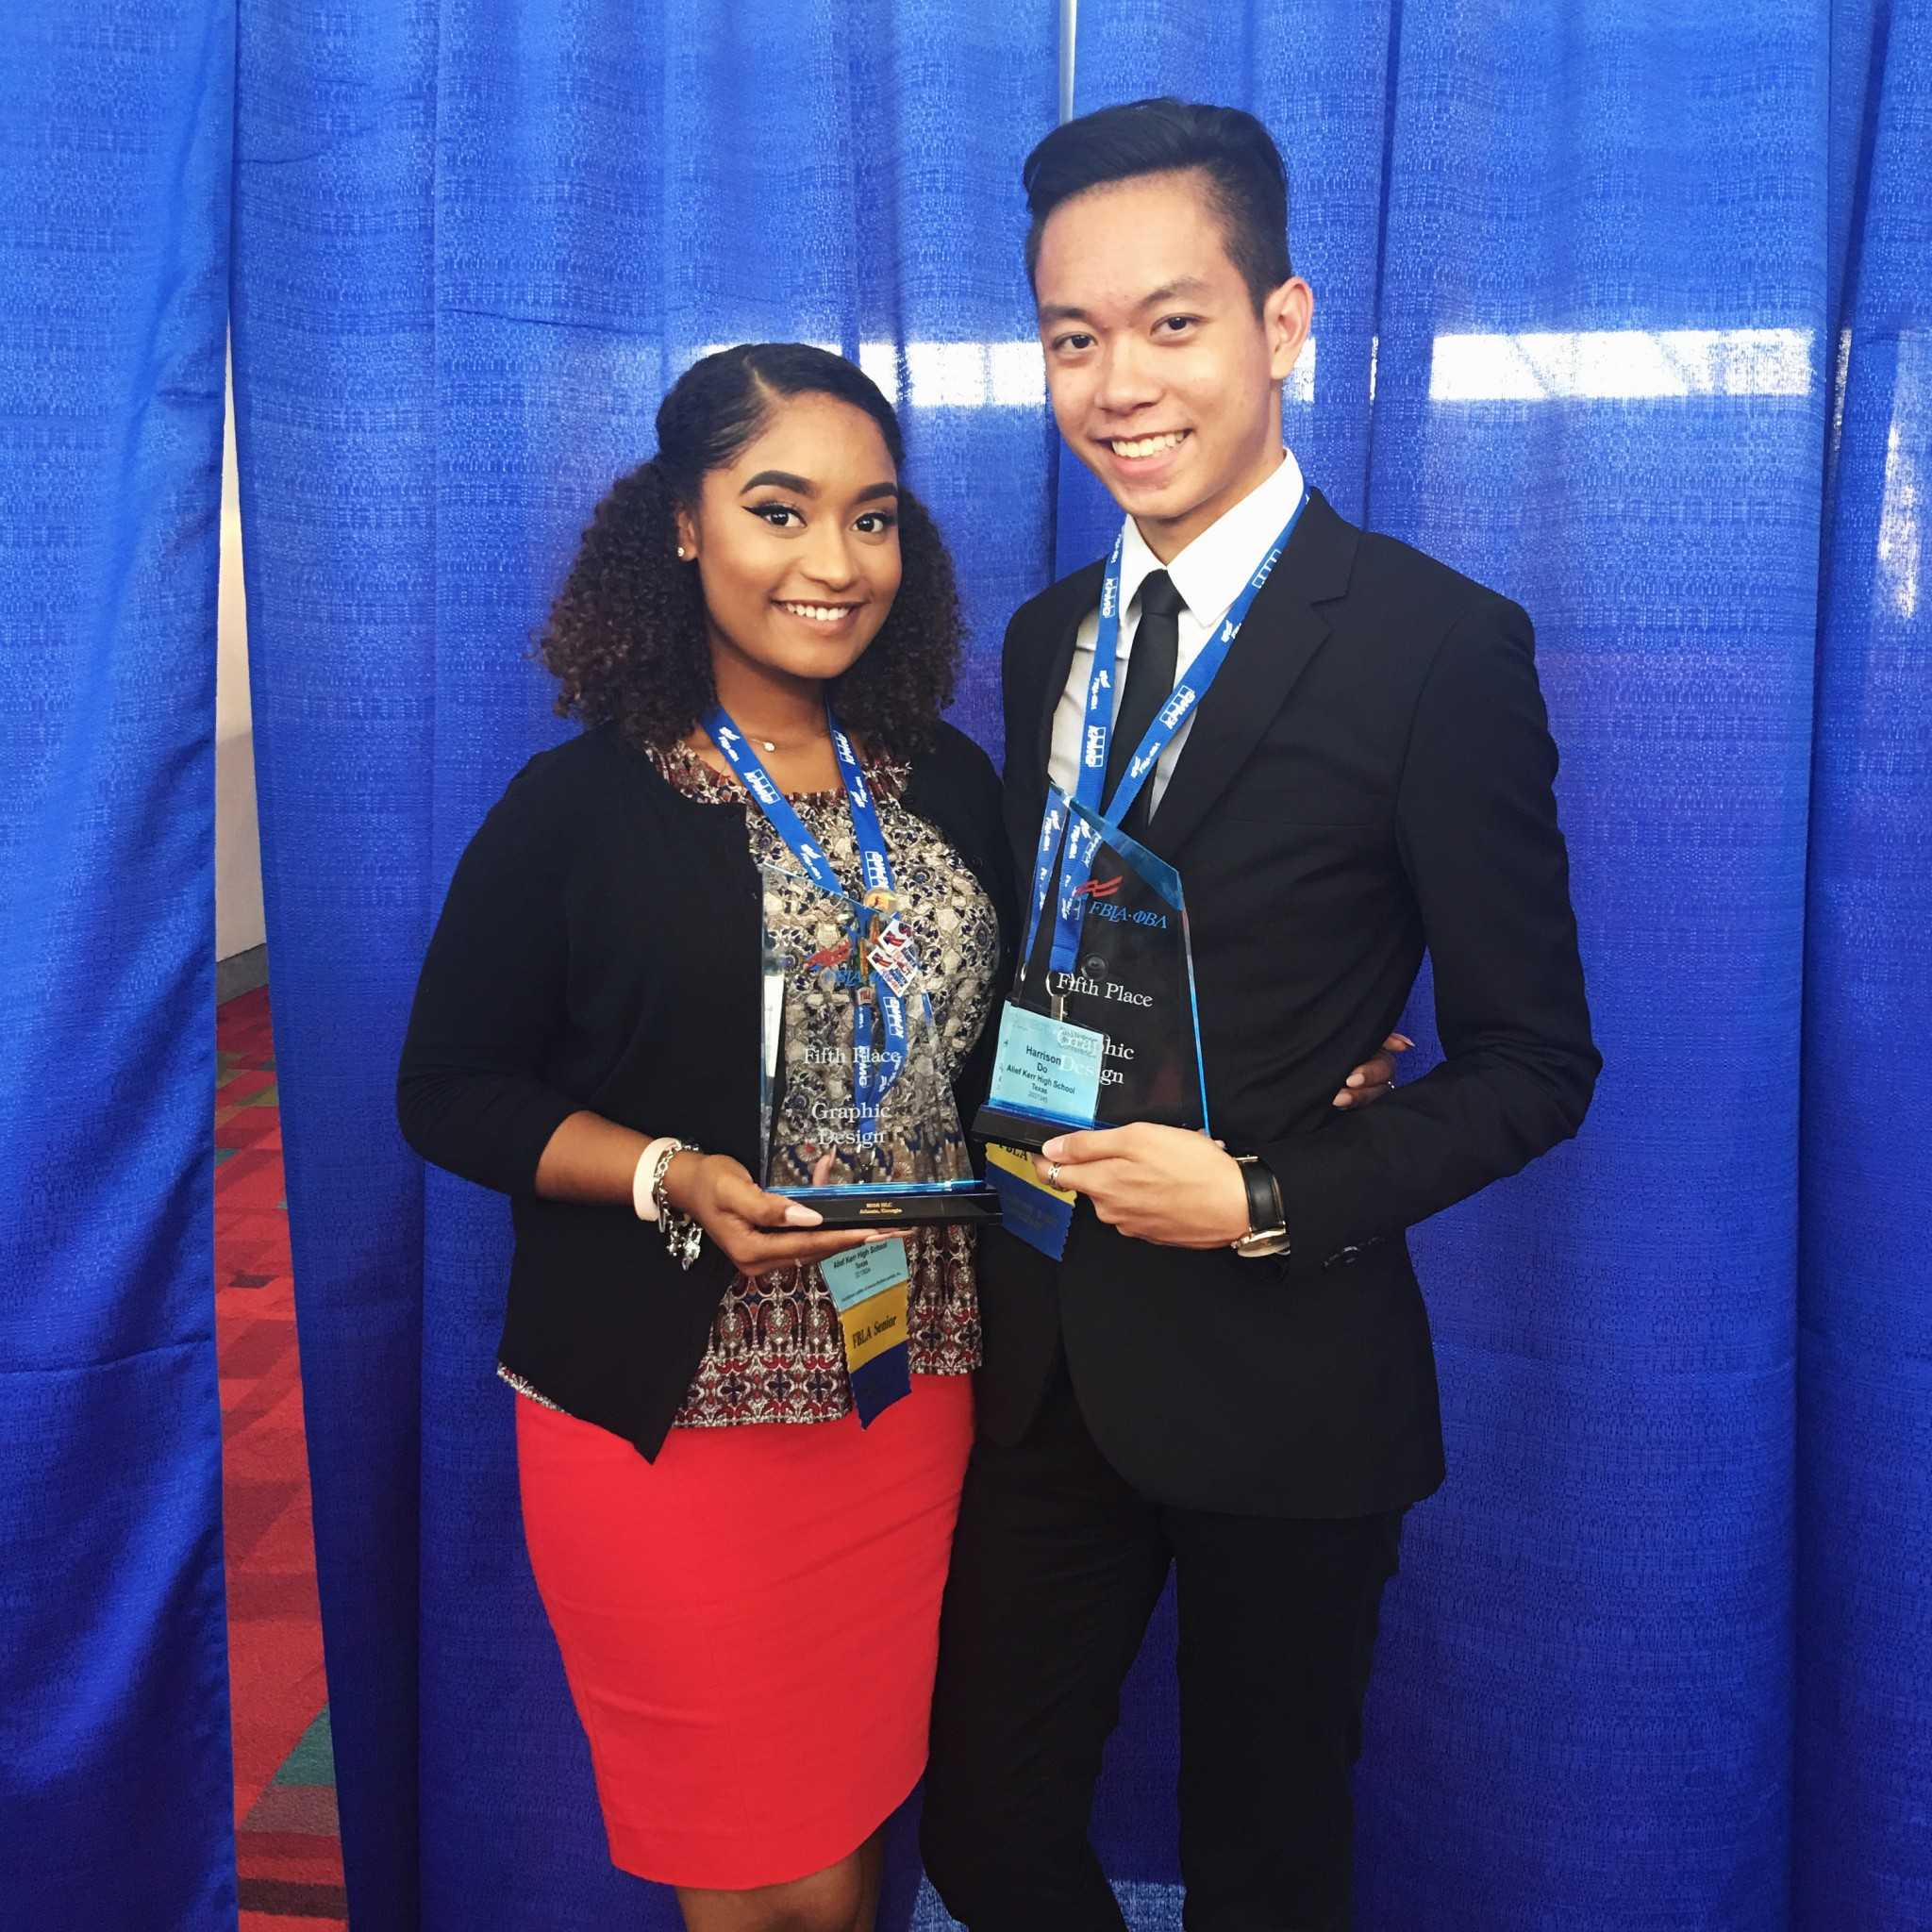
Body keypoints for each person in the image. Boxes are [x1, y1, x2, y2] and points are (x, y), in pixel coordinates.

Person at [919, 100, 1602, 1931]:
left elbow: (1540, 1064)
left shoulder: (1434, 649)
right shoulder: (1052, 631)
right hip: (1046, 1332)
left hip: (1286, 1368)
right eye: (1073, 337)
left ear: (1280, 324)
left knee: (1265, 1865)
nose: (1117, 383)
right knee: (982, 1832)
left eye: (1170, 322)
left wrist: (1272, 1192)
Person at [395, 342, 1013, 1932]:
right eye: (780, 509)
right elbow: (449, 1087)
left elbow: (1031, 1045)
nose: (833, 562)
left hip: (905, 1388)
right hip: (668, 1413)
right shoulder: (579, 807)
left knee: (850, 1833)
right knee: (750, 1862)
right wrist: (664, 1171)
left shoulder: (947, 783)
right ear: (681, 524)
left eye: (872, 519)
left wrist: (1288, 1072)